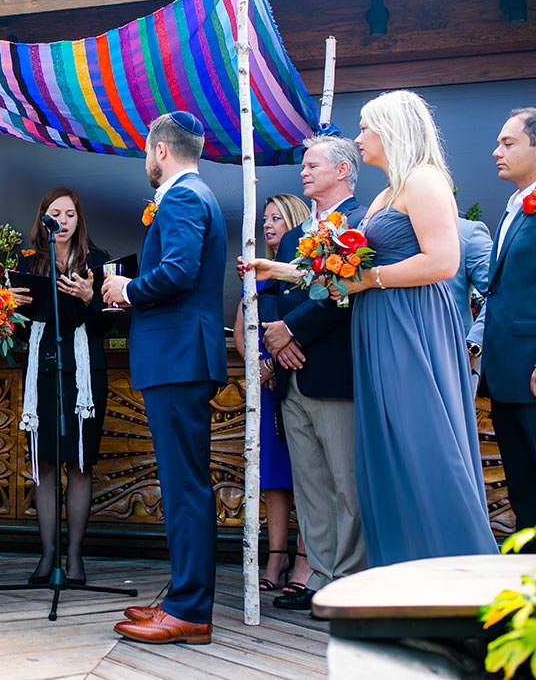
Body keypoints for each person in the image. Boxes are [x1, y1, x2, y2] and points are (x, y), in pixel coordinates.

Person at [248, 90, 497, 566]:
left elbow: (444, 262)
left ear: (394, 129)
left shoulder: (424, 181)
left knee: (420, 446)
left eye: (366, 127)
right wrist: (276, 270)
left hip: (411, 326)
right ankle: (399, 577)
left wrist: (369, 281)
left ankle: (453, 574)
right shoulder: (388, 191)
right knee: (386, 456)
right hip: (379, 327)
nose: (359, 137)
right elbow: (342, 273)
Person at [102, 111, 227, 644]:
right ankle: (182, 597)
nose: (145, 162)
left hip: (177, 357)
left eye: (145, 152)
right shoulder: (196, 195)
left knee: (184, 487)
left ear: (160, 150)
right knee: (183, 485)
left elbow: (178, 271)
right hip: (179, 356)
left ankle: (190, 610)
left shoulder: (181, 197)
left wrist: (125, 289)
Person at [260, 135, 367, 612]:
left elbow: (345, 296)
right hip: (293, 376)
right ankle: (319, 576)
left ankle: (348, 581)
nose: (303, 172)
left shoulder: (362, 222)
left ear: (343, 171)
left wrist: (292, 335)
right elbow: (294, 293)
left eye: (312, 165)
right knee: (311, 485)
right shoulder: (307, 230)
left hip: (332, 373)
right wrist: (280, 343)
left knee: (346, 485)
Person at [12, 187, 114, 586]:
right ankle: (47, 554)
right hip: (42, 372)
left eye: (70, 214)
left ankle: (74, 557)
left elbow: (111, 324)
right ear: (43, 218)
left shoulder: (97, 261)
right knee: (47, 464)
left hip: (86, 372)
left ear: (79, 220)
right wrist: (11, 303)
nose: (64, 221)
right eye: (56, 213)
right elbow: (16, 330)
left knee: (81, 462)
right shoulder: (27, 262)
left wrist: (91, 297)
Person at [231, 193, 313, 595]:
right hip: (262, 382)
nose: (268, 225)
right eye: (265, 218)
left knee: (307, 473)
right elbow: (241, 327)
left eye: (277, 218)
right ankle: (276, 555)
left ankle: (307, 557)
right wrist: (256, 365)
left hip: (296, 373)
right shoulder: (257, 273)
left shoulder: (302, 270)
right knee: (274, 476)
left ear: (295, 221)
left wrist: (276, 363)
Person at [482, 107, 536, 552]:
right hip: (507, 374)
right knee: (525, 494)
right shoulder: (513, 209)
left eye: (508, 143)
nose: (496, 152)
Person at [445, 215, 493, 389]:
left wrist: (474, 344)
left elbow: (498, 293)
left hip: (455, 358)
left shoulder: (467, 233)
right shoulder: (387, 230)